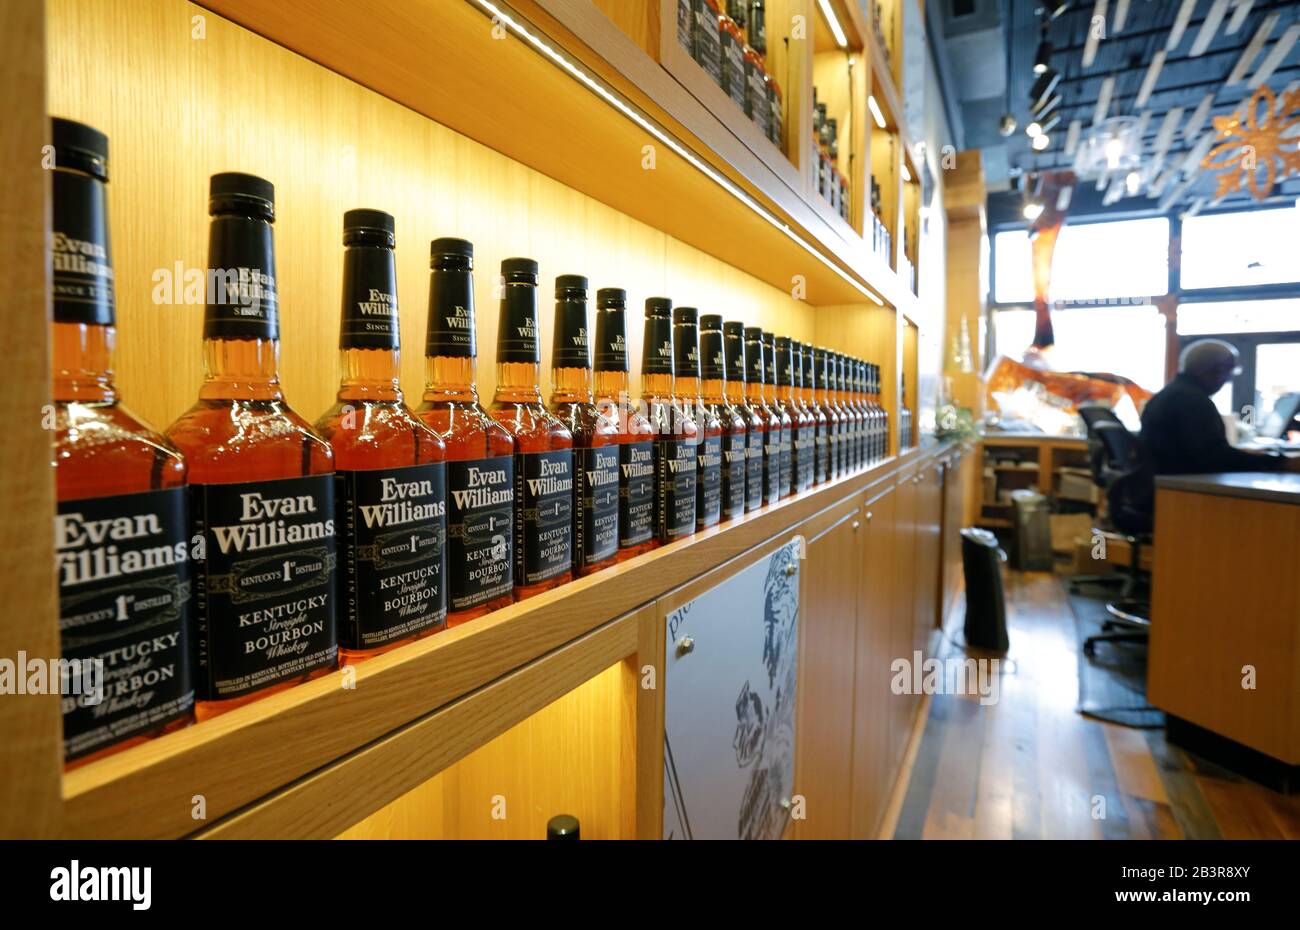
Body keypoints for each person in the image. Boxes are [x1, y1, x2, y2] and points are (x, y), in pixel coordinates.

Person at [1141, 339, 1286, 476]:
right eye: (1229, 372)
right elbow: (1215, 459)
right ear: (1216, 370)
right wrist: (1278, 462)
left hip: (1164, 486)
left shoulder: (1171, 394)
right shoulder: (1192, 401)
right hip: (1184, 490)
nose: (1228, 379)